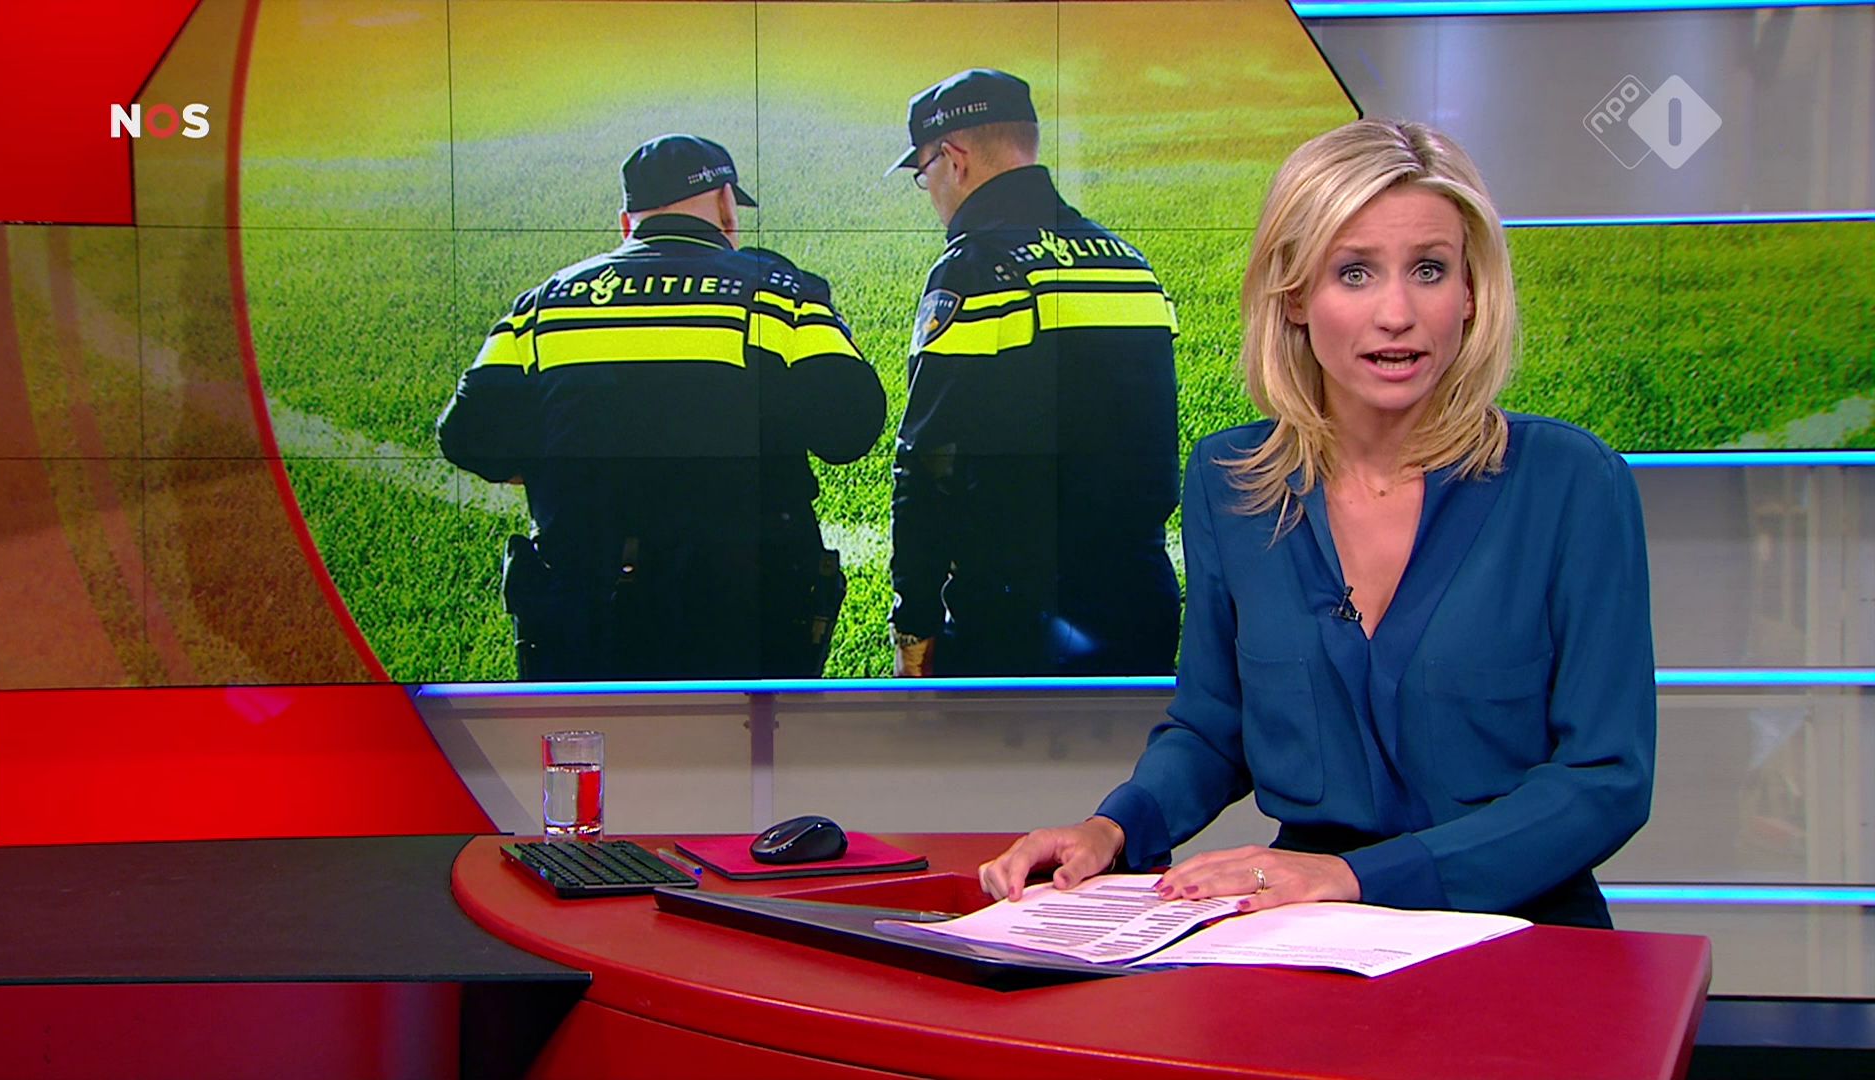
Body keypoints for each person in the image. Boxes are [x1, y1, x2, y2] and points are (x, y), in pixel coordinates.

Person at [979, 119, 1656, 928]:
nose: (1397, 313)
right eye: (1355, 272)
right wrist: (1112, 828)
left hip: (1517, 928)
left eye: (1430, 270)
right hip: (1307, 932)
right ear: (1295, 294)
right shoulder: (1231, 482)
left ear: (1473, 292)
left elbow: (1605, 778)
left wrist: (1357, 877)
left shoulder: (1571, 482)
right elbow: (1214, 727)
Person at [438, 134, 886, 680]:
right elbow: (852, 427)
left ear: (627, 223)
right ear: (726, 205)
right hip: (748, 615)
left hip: (587, 616)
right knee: (749, 738)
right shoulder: (779, 291)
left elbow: (466, 437)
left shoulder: (544, 302)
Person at [885, 69, 1181, 678]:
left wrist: (914, 619)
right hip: (1141, 594)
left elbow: (929, 462)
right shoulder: (1128, 262)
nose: (929, 190)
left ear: (955, 159)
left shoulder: (975, 267)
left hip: (1019, 614)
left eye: (924, 172)